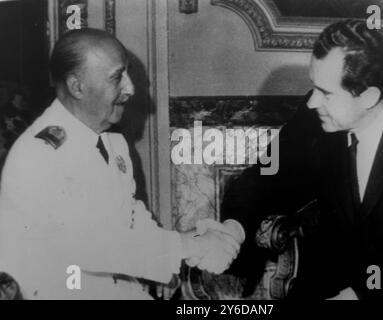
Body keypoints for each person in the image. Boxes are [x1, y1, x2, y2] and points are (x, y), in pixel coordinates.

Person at [0, 28, 244, 300]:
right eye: (117, 77)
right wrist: (184, 247)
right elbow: (90, 247)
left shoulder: (113, 145)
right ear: (77, 86)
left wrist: (194, 240)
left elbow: (132, 225)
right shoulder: (39, 155)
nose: (130, 88)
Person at [222, 19, 383, 299]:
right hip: (324, 286)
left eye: (326, 93)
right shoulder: (315, 119)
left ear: (368, 97)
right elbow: (265, 175)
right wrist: (232, 230)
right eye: (314, 87)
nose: (312, 102)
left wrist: (355, 296)